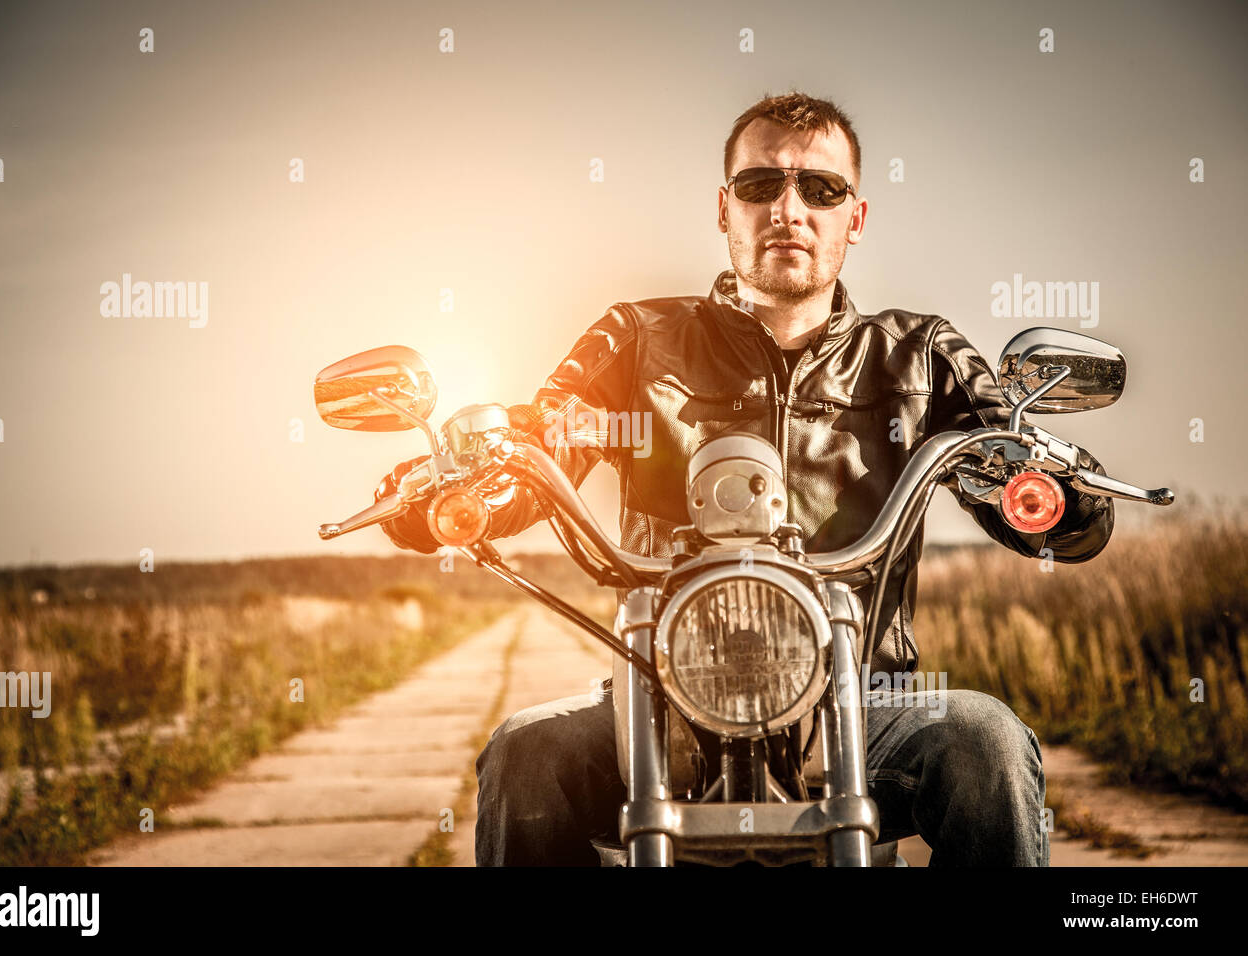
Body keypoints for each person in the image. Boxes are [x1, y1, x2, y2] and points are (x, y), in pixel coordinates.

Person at [379, 92, 1114, 866]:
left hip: (865, 700)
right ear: (725, 208)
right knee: (526, 754)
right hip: (664, 698)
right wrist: (467, 488)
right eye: (761, 186)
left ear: (854, 218)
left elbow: (1008, 456)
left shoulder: (918, 354)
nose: (788, 209)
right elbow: (543, 438)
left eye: (820, 189)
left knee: (984, 743)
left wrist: (1047, 491)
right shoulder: (638, 338)